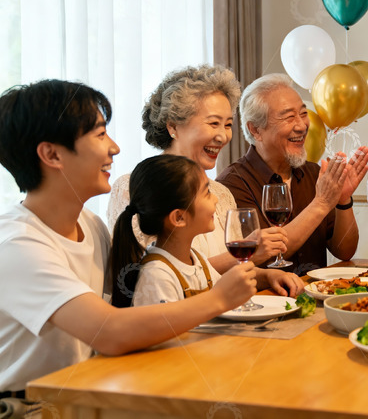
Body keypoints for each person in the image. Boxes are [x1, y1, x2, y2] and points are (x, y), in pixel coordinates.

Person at [0, 80, 256, 398]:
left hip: (88, 390)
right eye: (99, 134)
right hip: (31, 407)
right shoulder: (17, 245)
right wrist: (219, 299)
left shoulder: (90, 224)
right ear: (52, 154)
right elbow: (109, 331)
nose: (115, 148)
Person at [107, 66, 301, 296]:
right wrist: (245, 255)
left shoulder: (221, 193)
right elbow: (147, 278)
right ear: (173, 126)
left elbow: (232, 273)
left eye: (228, 125)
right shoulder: (133, 187)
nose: (223, 136)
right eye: (213, 123)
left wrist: (267, 276)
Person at [217, 74, 368, 274]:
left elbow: (345, 251)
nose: (302, 126)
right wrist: (321, 203)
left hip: (315, 291)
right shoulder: (232, 183)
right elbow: (263, 256)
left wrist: (343, 201)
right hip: (269, 293)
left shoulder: (314, 173)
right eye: (289, 117)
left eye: (303, 113)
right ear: (255, 130)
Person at [111, 155, 228, 307]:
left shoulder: (198, 259)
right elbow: (169, 323)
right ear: (179, 218)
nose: (216, 199)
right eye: (207, 193)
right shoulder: (157, 275)